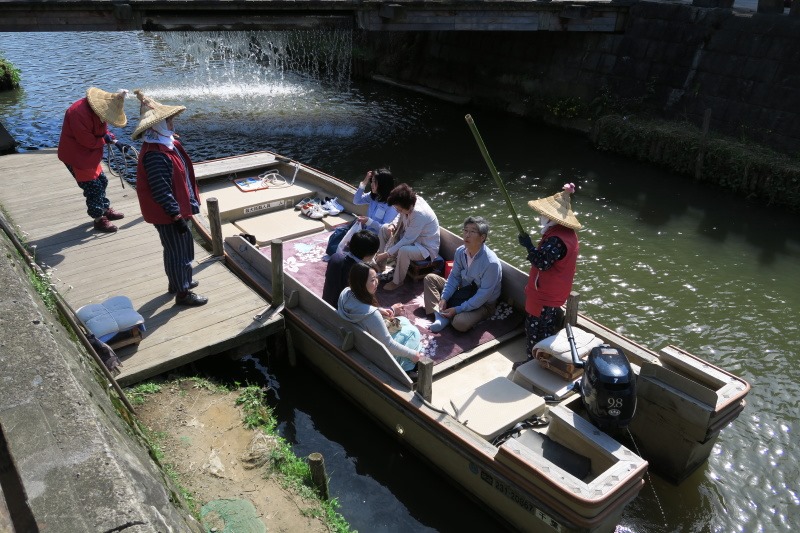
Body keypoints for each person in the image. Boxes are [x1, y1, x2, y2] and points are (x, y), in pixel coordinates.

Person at [132, 89, 207, 307]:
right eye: (169, 122)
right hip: (168, 214)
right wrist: (176, 215)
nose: (172, 126)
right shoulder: (155, 154)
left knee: (180, 248)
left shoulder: (164, 144)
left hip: (177, 209)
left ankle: (179, 282)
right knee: (178, 252)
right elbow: (160, 190)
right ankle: (182, 293)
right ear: (156, 126)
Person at [514, 183, 581, 370]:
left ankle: (532, 364)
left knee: (535, 330)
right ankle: (540, 361)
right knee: (544, 328)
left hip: (545, 295)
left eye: (544, 215)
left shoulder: (556, 240)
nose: (541, 217)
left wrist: (528, 246)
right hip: (553, 293)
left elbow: (542, 263)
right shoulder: (567, 235)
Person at [57, 87, 131, 233]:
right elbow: (88, 141)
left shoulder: (99, 109)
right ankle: (98, 219)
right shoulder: (77, 113)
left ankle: (104, 208)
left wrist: (115, 141)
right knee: (93, 187)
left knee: (102, 181)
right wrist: (105, 140)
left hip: (90, 154)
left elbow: (102, 131)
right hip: (77, 156)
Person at [337, 263, 422, 374]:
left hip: (358, 341)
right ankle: (408, 367)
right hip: (372, 352)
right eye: (372, 280)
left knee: (404, 321)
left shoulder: (346, 293)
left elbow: (360, 307)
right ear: (361, 284)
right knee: (414, 332)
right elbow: (388, 345)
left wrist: (378, 309)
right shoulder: (372, 315)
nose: (377, 281)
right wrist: (412, 354)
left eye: (376, 277)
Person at [423, 216, 502, 332]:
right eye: (465, 230)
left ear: (482, 237)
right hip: (464, 290)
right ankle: (440, 315)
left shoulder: (491, 263)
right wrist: (444, 298)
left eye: (472, 232)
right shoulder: (460, 251)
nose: (467, 235)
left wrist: (458, 309)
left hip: (483, 303)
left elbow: (483, 295)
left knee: (460, 323)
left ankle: (445, 314)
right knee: (430, 279)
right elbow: (454, 276)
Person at [373, 183, 440, 291]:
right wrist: (393, 225)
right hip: (410, 236)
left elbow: (407, 240)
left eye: (399, 209)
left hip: (424, 247)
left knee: (404, 250)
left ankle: (397, 281)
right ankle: (380, 265)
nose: (398, 211)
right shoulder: (410, 202)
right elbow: (400, 214)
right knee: (384, 228)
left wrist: (387, 254)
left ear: (406, 206)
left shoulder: (419, 214)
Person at [322, 229, 380, 309]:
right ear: (370, 254)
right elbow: (363, 302)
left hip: (326, 302)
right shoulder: (362, 273)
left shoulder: (335, 257)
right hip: (343, 313)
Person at [353, 168, 398, 252]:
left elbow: (385, 229)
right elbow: (356, 201)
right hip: (365, 232)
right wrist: (364, 183)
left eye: (375, 182)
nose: (372, 184)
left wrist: (369, 221)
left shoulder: (391, 205)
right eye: (372, 181)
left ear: (383, 184)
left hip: (376, 239)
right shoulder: (373, 196)